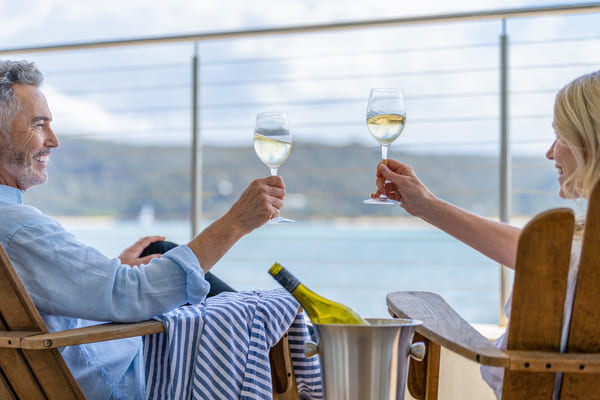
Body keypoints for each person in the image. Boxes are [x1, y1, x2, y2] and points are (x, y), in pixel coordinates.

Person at [0, 60, 287, 399]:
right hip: (130, 377)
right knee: (259, 319)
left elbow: (46, 291)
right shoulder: (16, 228)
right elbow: (133, 295)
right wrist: (236, 222)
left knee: (160, 255)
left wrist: (113, 270)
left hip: (45, 372)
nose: (54, 140)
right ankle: (309, 355)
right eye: (39, 124)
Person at [370, 70, 600, 399]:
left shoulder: (568, 257)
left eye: (561, 137)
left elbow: (505, 374)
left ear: (590, 143)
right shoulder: (574, 251)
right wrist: (426, 205)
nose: (550, 153)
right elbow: (529, 249)